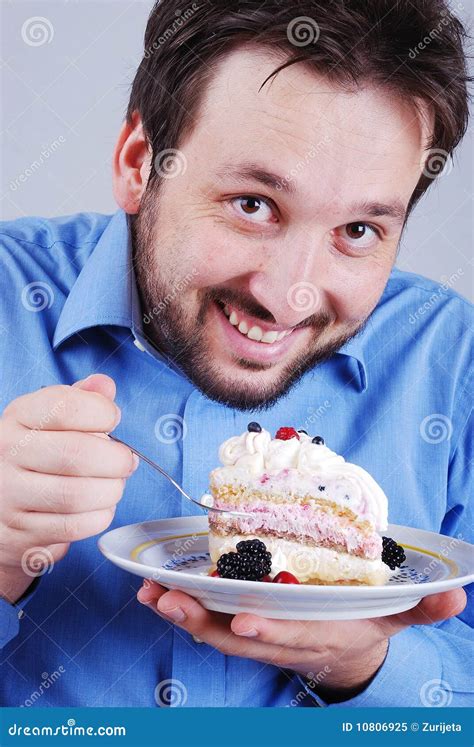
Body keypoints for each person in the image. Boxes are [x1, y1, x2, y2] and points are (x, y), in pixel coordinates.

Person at [0, 0, 472, 708]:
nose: (290, 297)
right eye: (253, 204)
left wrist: (367, 664)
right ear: (138, 162)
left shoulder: (450, 357)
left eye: (358, 229)